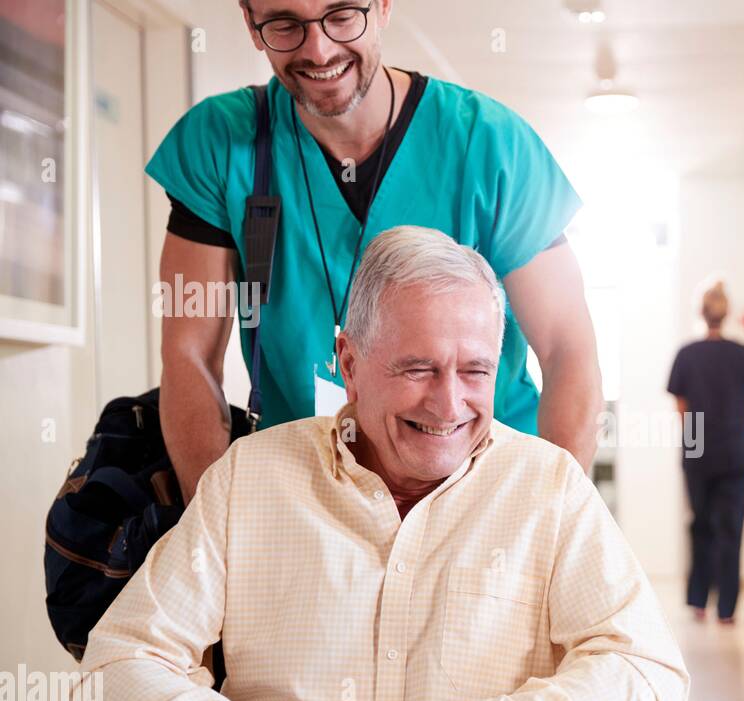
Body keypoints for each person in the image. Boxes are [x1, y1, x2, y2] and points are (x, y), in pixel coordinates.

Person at [41, 226, 688, 701]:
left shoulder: (547, 488)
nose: (449, 402)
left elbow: (648, 674)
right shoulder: (251, 477)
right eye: (418, 368)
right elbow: (114, 674)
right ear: (349, 364)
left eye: (475, 370)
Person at [152, 0, 601, 503]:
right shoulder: (220, 143)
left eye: (342, 15)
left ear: (383, 5)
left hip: (484, 489)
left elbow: (568, 349)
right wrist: (217, 525)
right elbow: (188, 354)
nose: (319, 50)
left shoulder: (489, 145)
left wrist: (558, 523)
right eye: (284, 25)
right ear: (251, 24)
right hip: (307, 492)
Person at [666, 281, 744, 626]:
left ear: (701, 312)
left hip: (698, 450)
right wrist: (739, 432)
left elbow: (682, 406)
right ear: (727, 312)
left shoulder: (687, 354)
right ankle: (727, 608)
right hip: (736, 449)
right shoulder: (743, 354)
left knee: (700, 523)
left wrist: (697, 437)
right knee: (732, 528)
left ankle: (698, 601)